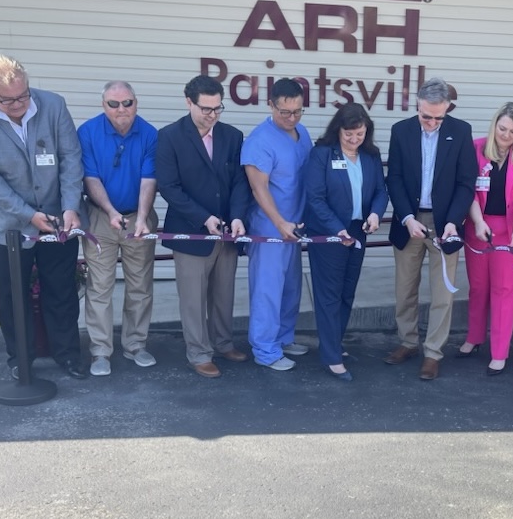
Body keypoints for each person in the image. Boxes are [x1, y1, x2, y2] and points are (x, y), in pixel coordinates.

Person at [0, 53, 87, 379]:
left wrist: (71, 206)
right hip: (10, 226)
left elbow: (71, 157)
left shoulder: (53, 105)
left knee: (62, 290)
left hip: (58, 218)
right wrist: (29, 215)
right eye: (8, 100)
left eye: (23, 96)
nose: (18, 104)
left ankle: (67, 355)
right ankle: (21, 359)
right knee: (14, 296)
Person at [156, 75, 251, 379]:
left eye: (218, 108)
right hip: (192, 231)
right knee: (194, 298)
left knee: (224, 293)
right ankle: (198, 353)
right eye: (206, 109)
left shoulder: (232, 136)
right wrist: (203, 218)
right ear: (189, 102)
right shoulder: (169, 136)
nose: (212, 115)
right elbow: (169, 187)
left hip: (227, 232)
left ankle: (223, 343)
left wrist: (237, 216)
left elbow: (239, 181)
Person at [384, 77, 476, 381]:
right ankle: (408, 342)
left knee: (442, 293)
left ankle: (433, 352)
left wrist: (454, 220)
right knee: (404, 288)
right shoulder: (401, 131)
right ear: (418, 106)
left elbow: (466, 182)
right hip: (409, 222)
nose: (433, 123)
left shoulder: (460, 131)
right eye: (426, 116)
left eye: (439, 117)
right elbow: (394, 178)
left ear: (447, 109)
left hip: (443, 224)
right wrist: (407, 217)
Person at [78, 81, 159, 376]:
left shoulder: (150, 133)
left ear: (136, 103)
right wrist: (111, 211)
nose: (121, 109)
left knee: (140, 285)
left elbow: (149, 179)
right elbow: (90, 177)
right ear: (104, 106)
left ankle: (136, 344)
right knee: (99, 287)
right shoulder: (87, 132)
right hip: (100, 217)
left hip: (139, 215)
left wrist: (142, 217)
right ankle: (100, 350)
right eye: (114, 104)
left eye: (127, 103)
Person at [304, 103, 389, 381]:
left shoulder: (371, 156)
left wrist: (375, 214)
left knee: (346, 292)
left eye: (360, 134)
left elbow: (380, 191)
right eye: (349, 134)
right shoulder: (322, 155)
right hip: (330, 233)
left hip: (358, 230)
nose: (354, 139)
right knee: (328, 294)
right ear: (338, 129)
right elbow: (315, 198)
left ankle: (335, 343)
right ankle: (330, 357)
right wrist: (336, 229)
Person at [458, 102, 513, 375]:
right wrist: (478, 221)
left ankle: (499, 352)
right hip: (479, 227)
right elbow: (467, 188)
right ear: (494, 125)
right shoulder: (476, 147)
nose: (505, 135)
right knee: (478, 287)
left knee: (504, 291)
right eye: (502, 128)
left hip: (511, 230)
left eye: (512, 131)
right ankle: (474, 336)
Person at [242, 78, 313, 371]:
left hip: (296, 226)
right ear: (270, 105)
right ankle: (265, 348)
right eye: (285, 112)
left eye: (297, 111)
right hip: (270, 228)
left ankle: (284, 337)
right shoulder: (259, 141)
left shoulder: (302, 133)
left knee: (291, 287)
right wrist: (280, 222)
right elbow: (259, 189)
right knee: (268, 289)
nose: (292, 118)